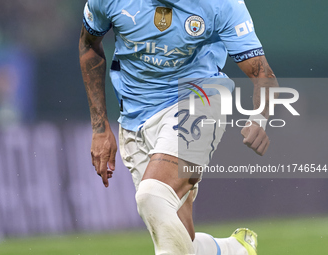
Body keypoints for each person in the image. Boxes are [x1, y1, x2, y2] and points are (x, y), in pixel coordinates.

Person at [79, 0, 278, 254]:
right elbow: (88, 44)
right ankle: (232, 250)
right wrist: (99, 128)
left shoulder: (221, 4)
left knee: (152, 196)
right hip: (135, 117)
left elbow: (262, 73)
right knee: (181, 239)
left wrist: (260, 118)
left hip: (199, 99)